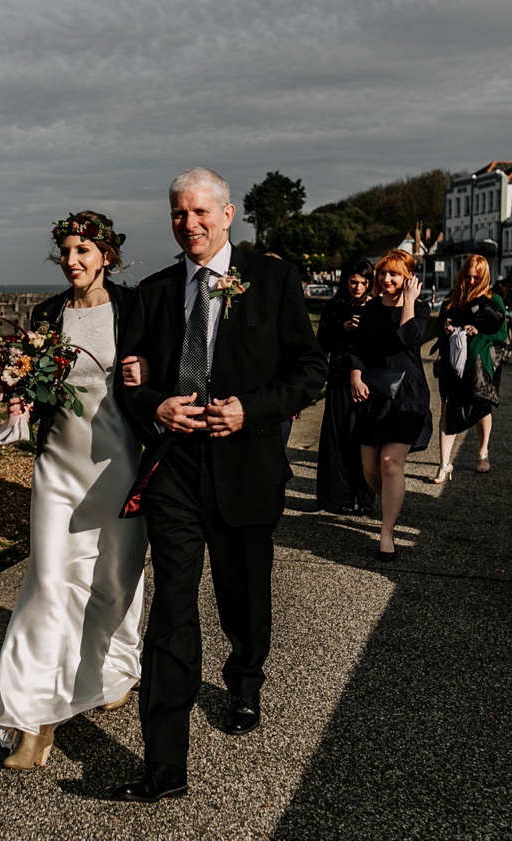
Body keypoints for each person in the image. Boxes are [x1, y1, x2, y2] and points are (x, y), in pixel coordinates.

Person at [114, 168, 325, 803]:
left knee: (242, 595)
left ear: (228, 215)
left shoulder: (274, 279)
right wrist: (156, 406)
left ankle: (245, 677)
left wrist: (251, 410)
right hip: (174, 470)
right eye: (179, 214)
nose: (190, 225)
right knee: (172, 608)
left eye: (201, 212)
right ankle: (164, 768)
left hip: (245, 467)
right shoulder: (153, 292)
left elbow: (310, 369)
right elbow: (128, 382)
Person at [0, 211, 149, 769]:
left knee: (114, 581)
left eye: (84, 251)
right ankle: (34, 722)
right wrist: (19, 396)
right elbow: (39, 381)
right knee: (49, 584)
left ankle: (116, 667)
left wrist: (149, 378)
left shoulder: (134, 307)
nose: (73, 261)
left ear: (107, 255)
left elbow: (161, 375)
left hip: (118, 463)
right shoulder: (47, 313)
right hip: (57, 465)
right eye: (66, 252)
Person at [346, 248, 432, 561]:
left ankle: (386, 533)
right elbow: (358, 348)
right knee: (370, 470)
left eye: (394, 274)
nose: (386, 279)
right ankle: (391, 506)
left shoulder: (420, 309)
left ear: (408, 277)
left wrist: (408, 301)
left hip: (408, 394)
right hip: (374, 393)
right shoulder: (370, 309)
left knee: (389, 463)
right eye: (383, 273)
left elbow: (406, 338)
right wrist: (355, 375)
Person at [431, 254, 506, 481]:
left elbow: (502, 334)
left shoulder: (493, 300)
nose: (472, 281)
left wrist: (479, 330)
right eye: (468, 276)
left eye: (477, 277)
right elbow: (437, 329)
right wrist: (445, 329)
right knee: (447, 409)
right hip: (452, 364)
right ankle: (444, 464)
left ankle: (483, 452)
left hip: (479, 364)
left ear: (484, 277)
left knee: (481, 409)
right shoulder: (451, 300)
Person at [315, 260, 377, 515]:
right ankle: (337, 497)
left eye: (363, 282)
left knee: (364, 439)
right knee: (338, 437)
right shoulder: (335, 308)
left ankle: (365, 497)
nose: (358, 287)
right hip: (340, 379)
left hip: (369, 382)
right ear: (346, 282)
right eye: (354, 282)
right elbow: (321, 343)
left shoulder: (376, 308)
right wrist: (342, 329)